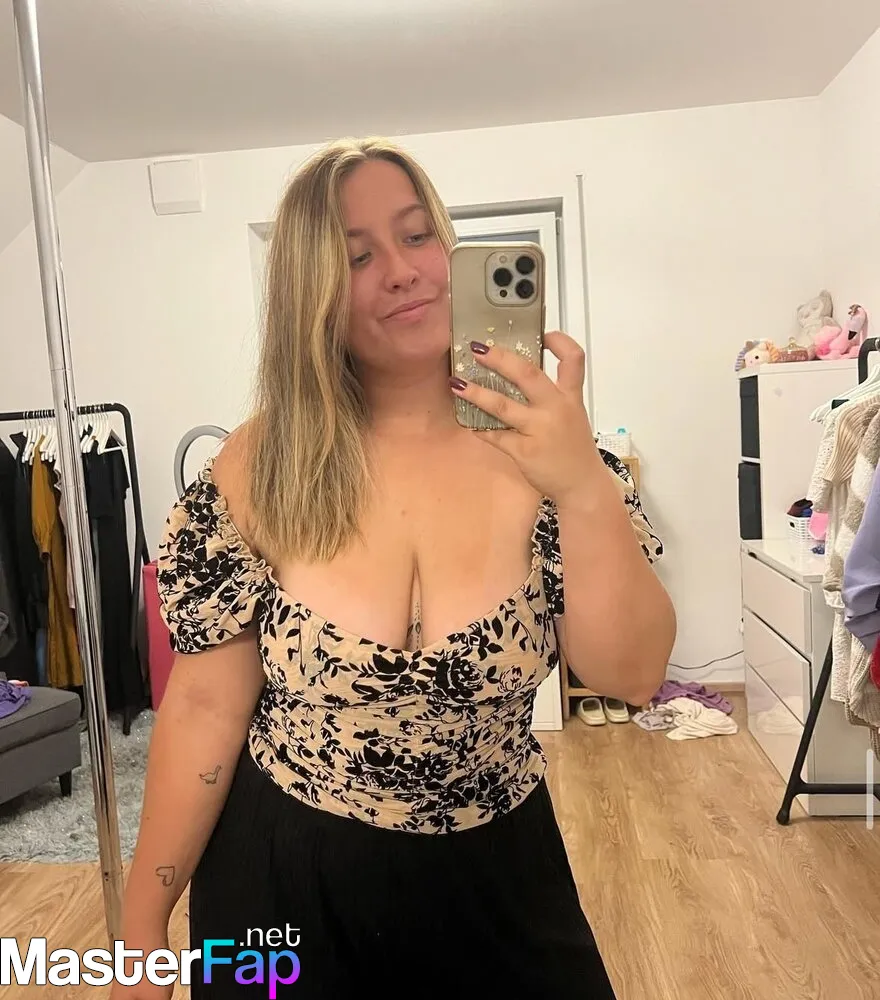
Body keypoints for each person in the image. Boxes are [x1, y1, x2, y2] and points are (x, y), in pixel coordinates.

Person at [113, 137, 675, 999]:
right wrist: (142, 929)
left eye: (417, 236)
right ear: (312, 293)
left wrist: (581, 486)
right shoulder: (261, 467)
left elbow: (631, 675)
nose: (405, 271)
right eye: (358, 256)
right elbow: (204, 705)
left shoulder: (553, 458)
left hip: (500, 875)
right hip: (281, 879)